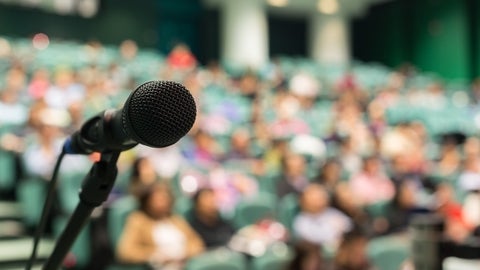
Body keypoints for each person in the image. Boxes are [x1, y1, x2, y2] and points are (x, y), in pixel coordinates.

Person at [117, 182, 204, 269]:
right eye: (157, 199)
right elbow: (125, 252)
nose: (162, 203)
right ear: (147, 201)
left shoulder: (175, 219)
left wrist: (183, 253)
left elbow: (197, 243)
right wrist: (154, 255)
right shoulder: (139, 220)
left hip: (183, 264)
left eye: (164, 198)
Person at [293, 183, 352, 251]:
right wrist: (336, 236)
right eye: (315, 199)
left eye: (321, 197)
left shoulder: (330, 212)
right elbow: (312, 240)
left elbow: (349, 225)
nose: (320, 201)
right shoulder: (302, 221)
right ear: (305, 202)